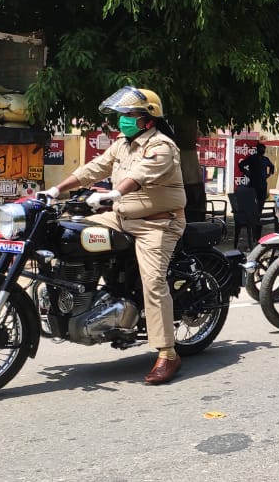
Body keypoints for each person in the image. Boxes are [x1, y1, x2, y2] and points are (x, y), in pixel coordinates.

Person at [43, 86, 186, 385]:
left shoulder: (162, 146)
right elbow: (94, 168)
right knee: (69, 234)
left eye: (129, 114)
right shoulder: (122, 144)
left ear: (148, 118)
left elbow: (141, 175)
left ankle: (168, 353)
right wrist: (57, 189)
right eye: (121, 114)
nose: (123, 119)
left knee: (154, 282)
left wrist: (114, 193)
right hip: (120, 217)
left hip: (156, 224)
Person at [237, 141, 276, 207]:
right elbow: (241, 164)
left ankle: (258, 215)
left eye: (263, 150)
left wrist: (269, 174)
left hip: (263, 184)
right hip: (253, 183)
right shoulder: (252, 158)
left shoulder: (265, 159)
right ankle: (253, 215)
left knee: (261, 202)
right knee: (252, 202)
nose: (262, 151)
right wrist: (245, 172)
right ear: (257, 150)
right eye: (261, 149)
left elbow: (272, 166)